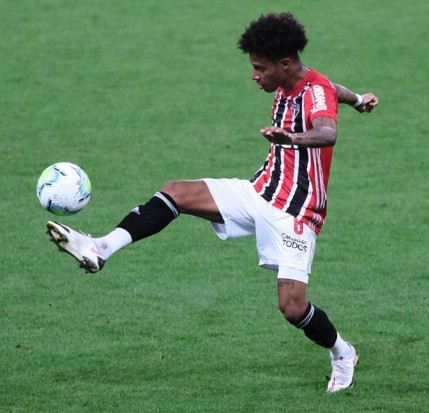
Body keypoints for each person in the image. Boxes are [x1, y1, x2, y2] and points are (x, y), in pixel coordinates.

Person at [46, 12, 379, 393]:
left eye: (260, 68)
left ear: (285, 65)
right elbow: (333, 87)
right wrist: (358, 99)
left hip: (296, 211)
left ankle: (342, 352)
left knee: (292, 307)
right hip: (261, 190)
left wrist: (291, 138)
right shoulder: (299, 80)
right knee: (176, 191)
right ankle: (101, 246)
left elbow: (327, 131)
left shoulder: (313, 91)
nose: (254, 75)